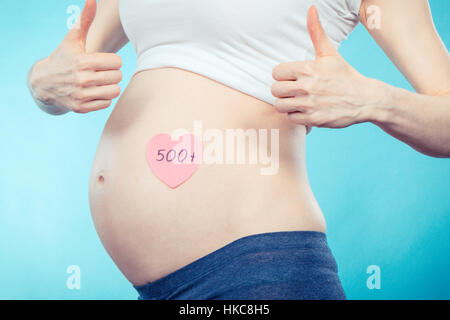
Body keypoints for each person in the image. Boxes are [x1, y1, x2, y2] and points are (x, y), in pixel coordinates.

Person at [27, 0, 449, 300]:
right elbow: (67, 66)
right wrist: (42, 84)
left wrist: (373, 100)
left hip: (258, 272)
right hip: (156, 289)